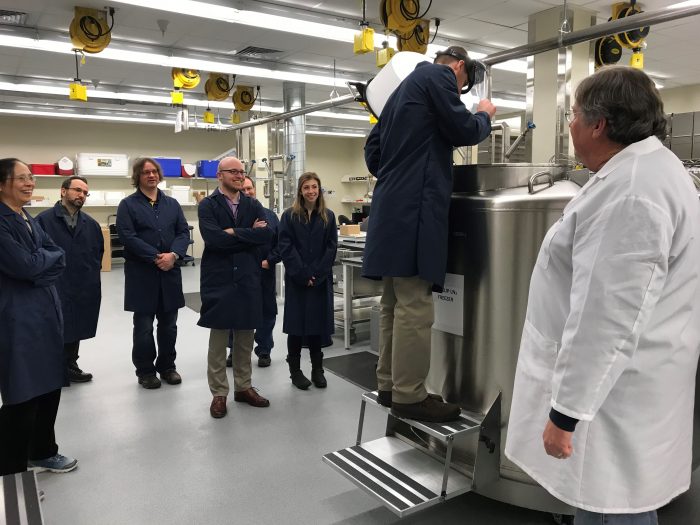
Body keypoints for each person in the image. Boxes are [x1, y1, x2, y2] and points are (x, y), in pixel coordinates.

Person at [505, 66, 700, 525]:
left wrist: (565, 414)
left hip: (612, 403)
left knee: (612, 509)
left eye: (572, 115)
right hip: (634, 388)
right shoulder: (650, 172)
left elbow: (606, 316)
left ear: (599, 124)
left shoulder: (632, 192)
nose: (569, 126)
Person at [362, 45, 496, 422]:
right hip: (414, 213)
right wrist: (482, 115)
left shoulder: (397, 96)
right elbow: (464, 129)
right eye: (463, 83)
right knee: (417, 306)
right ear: (457, 66)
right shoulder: (435, 75)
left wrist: (411, 157)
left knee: (393, 303)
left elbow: (372, 153)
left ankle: (389, 384)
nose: (458, 90)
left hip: (389, 210)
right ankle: (410, 394)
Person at [0, 158, 78, 475]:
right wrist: (39, 265)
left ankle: (43, 450)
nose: (30, 183)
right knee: (22, 390)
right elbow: (26, 266)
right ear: (2, 184)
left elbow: (56, 255)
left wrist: (39, 266)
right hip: (17, 317)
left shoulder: (26, 217)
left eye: (31, 177)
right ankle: (10, 467)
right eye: (22, 178)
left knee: (49, 384)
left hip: (44, 312)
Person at [198, 156, 272, 419]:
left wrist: (232, 232)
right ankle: (219, 393)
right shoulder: (207, 205)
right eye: (234, 172)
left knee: (244, 337)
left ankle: (244, 387)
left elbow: (265, 235)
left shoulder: (253, 204)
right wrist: (245, 234)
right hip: (219, 277)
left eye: (242, 172)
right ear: (220, 175)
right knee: (218, 340)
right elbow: (214, 240)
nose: (240, 176)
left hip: (247, 277)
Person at [116, 158, 190, 389]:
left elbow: (182, 232)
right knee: (144, 326)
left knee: (169, 325)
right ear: (137, 176)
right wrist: (157, 257)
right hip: (142, 274)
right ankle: (146, 371)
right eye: (146, 172)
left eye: (154, 171)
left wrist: (174, 255)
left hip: (169, 273)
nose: (151, 175)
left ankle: (167, 367)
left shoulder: (172, 204)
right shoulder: (128, 205)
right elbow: (127, 236)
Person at [37, 176, 103, 383]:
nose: (81, 195)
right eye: (77, 190)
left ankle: (71, 365)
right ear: (63, 191)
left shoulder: (91, 224)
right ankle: (52, 368)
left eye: (85, 192)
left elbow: (98, 253)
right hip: (55, 284)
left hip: (83, 283)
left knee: (77, 325)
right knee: (54, 325)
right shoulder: (43, 221)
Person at [278, 172, 337, 390]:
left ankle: (317, 370)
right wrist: (303, 273)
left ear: (319, 190)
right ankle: (295, 371)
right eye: (306, 188)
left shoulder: (328, 216)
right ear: (300, 191)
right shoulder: (289, 216)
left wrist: (317, 274)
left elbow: (331, 247)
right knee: (295, 326)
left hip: (320, 281)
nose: (311, 191)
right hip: (297, 280)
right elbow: (285, 246)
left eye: (314, 187)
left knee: (316, 326)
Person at [226, 175, 281, 368]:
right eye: (243, 190)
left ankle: (264, 350)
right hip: (241, 272)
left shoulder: (270, 216)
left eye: (250, 188)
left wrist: (269, 260)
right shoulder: (235, 217)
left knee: (267, 313)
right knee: (238, 311)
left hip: (264, 272)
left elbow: (280, 244)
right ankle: (234, 350)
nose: (247, 192)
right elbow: (229, 240)